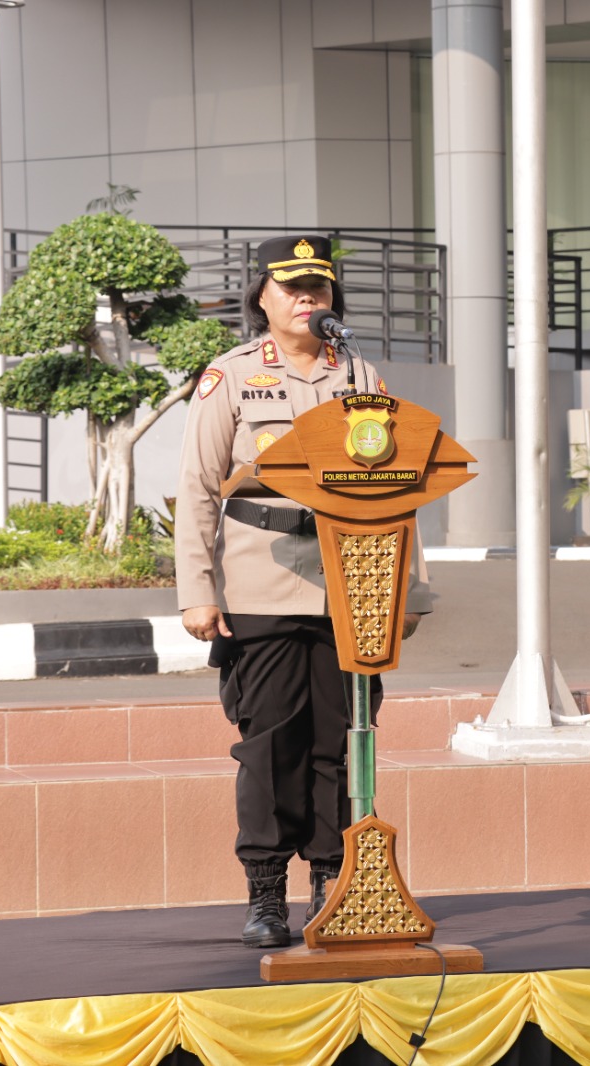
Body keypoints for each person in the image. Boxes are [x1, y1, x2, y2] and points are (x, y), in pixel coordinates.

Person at [176, 234, 430, 949]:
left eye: (318, 286)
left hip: (353, 581)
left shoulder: (358, 372)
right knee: (271, 746)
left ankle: (329, 879)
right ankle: (265, 891)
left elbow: (401, 483)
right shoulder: (231, 378)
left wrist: (406, 590)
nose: (307, 298)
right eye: (291, 286)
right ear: (262, 296)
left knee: (340, 743)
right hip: (261, 578)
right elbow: (197, 488)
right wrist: (198, 588)